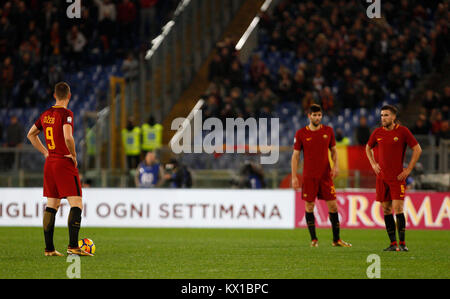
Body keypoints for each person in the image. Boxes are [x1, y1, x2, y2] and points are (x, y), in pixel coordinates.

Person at [27, 82, 92, 257]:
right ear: (69, 96)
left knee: (52, 205)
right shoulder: (66, 114)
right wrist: (74, 155)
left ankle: (49, 249)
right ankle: (73, 246)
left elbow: (31, 134)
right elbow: (68, 136)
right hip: (64, 161)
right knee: (76, 203)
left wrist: (45, 152)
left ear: (54, 96)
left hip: (50, 163)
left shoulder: (46, 114)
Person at [291, 104, 351, 248]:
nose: (317, 117)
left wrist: (335, 166)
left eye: (319, 115)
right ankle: (314, 240)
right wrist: (294, 177)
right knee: (310, 206)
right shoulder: (301, 134)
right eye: (314, 115)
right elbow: (295, 156)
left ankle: (336, 240)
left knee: (333, 206)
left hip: (325, 176)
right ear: (309, 116)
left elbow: (334, 151)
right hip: (309, 176)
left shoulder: (328, 131)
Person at [366, 105, 422, 252]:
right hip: (382, 178)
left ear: (393, 117)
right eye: (381, 115)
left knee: (398, 209)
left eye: (386, 115)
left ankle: (402, 243)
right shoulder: (377, 133)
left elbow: (417, 149)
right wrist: (373, 163)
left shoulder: (403, 131)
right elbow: (367, 147)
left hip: (397, 178)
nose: (383, 118)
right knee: (386, 210)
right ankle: (392, 244)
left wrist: (408, 169)